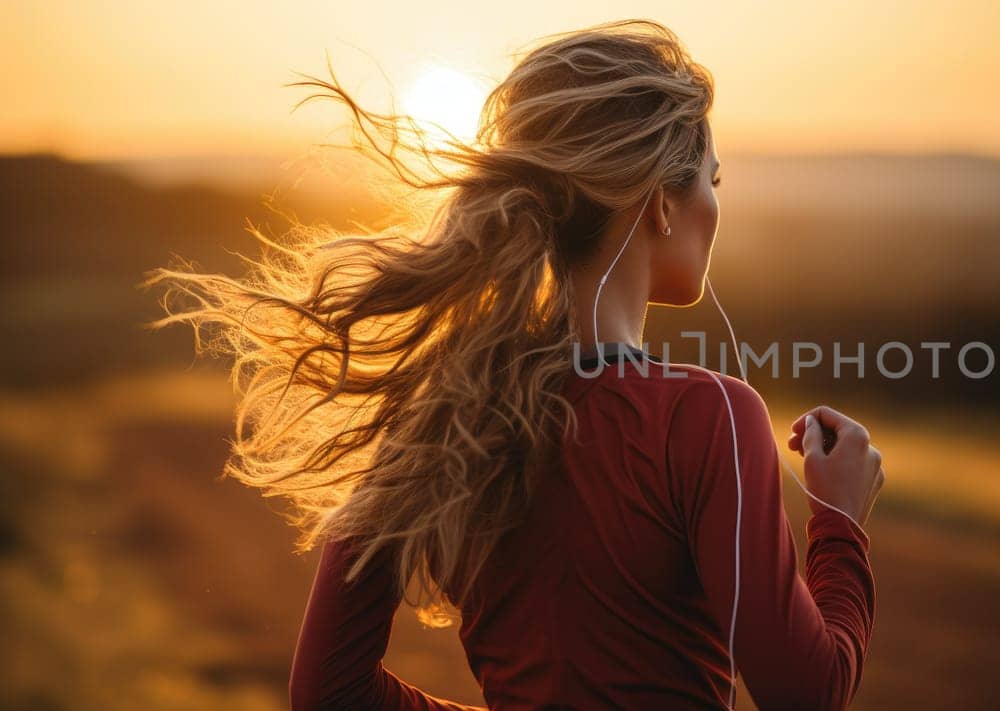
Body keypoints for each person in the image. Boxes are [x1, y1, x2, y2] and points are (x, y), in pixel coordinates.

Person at [146, 18, 885, 711]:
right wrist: (840, 519)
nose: (715, 206)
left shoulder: (444, 417)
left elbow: (327, 692)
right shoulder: (709, 414)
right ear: (661, 201)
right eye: (712, 182)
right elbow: (807, 693)